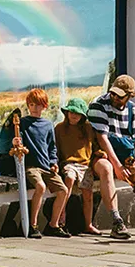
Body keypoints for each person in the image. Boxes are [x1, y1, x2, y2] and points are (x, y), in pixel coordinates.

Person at [87, 74, 135, 239]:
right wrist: (117, 167)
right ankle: (116, 221)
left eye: (119, 96)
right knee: (106, 169)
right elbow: (102, 138)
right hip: (103, 155)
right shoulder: (98, 105)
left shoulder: (134, 111)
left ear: (129, 96)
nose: (114, 97)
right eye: (113, 93)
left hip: (127, 157)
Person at [16, 88, 70, 238]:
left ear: (44, 106)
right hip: (31, 166)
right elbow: (17, 140)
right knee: (40, 186)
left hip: (46, 166)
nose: (35, 108)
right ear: (28, 105)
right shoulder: (23, 123)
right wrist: (16, 142)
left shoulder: (47, 125)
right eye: (32, 105)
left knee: (63, 190)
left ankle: (53, 225)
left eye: (39, 105)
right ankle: (32, 224)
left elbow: (52, 146)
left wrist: (54, 162)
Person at [54, 97, 99, 234]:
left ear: (83, 116)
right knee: (69, 178)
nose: (73, 115)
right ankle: (62, 216)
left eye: (77, 113)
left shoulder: (88, 128)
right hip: (68, 163)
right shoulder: (60, 128)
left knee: (88, 195)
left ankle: (88, 224)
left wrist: (100, 153)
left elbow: (94, 146)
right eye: (71, 112)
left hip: (84, 165)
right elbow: (55, 148)